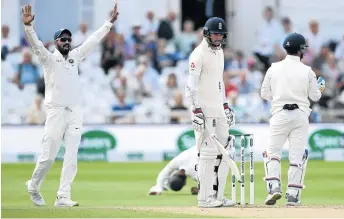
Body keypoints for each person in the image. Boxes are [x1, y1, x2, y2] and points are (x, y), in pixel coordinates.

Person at [22, 3, 119, 207]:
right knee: (48, 157)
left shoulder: (75, 57)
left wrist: (108, 23)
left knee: (72, 156)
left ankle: (63, 196)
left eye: (69, 39)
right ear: (56, 42)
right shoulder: (48, 59)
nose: (67, 42)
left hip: (75, 110)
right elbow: (36, 45)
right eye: (63, 39)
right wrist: (29, 27)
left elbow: (92, 41)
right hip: (56, 111)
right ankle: (33, 185)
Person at [260, 33, 325, 206]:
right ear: (302, 50)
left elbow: (264, 93)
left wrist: (280, 94)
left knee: (272, 153)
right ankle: (293, 195)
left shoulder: (273, 68)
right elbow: (316, 96)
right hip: (300, 116)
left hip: (279, 114)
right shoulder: (308, 71)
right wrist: (321, 86)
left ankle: (274, 187)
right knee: (297, 156)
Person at [185, 17, 236, 208]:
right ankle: (204, 198)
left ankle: (218, 196)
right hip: (204, 110)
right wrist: (196, 110)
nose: (218, 37)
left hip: (218, 109)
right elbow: (191, 86)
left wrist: (225, 105)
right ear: (206, 34)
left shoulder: (220, 52)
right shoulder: (198, 55)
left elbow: (219, 82)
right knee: (207, 154)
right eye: (215, 33)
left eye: (221, 34)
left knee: (224, 152)